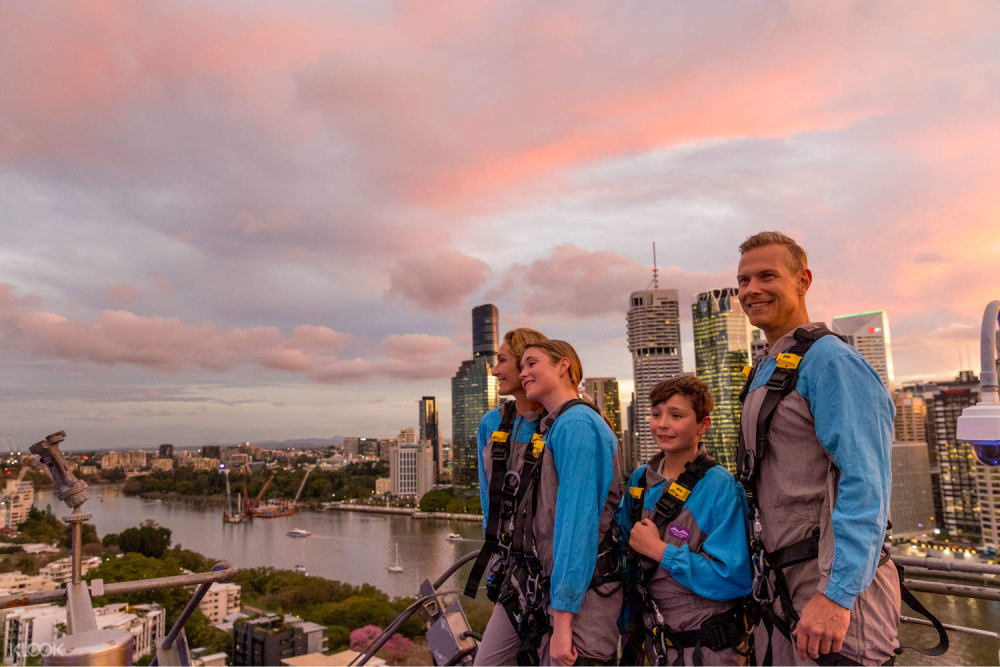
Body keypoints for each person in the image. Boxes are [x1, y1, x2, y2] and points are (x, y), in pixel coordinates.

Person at [735, 231, 899, 665]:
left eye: (766, 276)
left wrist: (837, 597)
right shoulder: (770, 367)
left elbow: (866, 484)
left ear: (803, 280)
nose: (751, 290)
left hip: (831, 596)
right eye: (744, 280)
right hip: (784, 592)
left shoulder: (832, 363)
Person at [474, 339, 622, 666]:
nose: (523, 372)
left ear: (563, 365)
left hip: (578, 597)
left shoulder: (578, 426)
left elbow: (576, 528)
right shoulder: (555, 426)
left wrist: (563, 620)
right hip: (542, 586)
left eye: (532, 363)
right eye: (521, 365)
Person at [616, 376, 752, 666]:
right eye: (656, 414)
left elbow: (735, 578)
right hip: (654, 642)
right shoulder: (641, 480)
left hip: (707, 647)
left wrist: (660, 551)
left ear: (703, 425)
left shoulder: (719, 486)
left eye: (676, 416)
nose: (662, 424)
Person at [468, 328, 549, 667]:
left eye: (502, 361)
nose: (495, 370)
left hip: (552, 569)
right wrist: (498, 559)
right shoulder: (492, 423)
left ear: (527, 365)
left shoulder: (564, 421)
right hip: (514, 571)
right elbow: (491, 501)